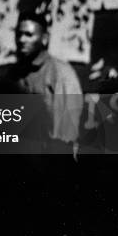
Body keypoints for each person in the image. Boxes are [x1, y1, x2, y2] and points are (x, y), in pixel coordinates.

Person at [10, 11, 83, 159]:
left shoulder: (60, 73)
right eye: (19, 34)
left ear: (44, 39)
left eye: (29, 35)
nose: (22, 39)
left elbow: (67, 129)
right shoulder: (13, 74)